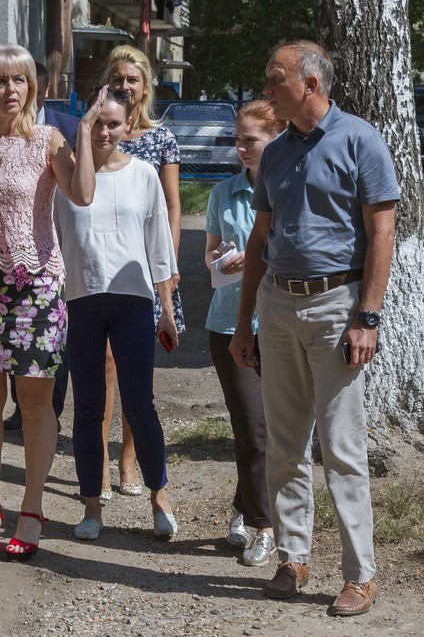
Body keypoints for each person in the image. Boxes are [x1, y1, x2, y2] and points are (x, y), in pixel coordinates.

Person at [229, 40, 399, 616]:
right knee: (284, 442)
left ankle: (360, 575)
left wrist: (367, 317)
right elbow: (260, 240)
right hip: (278, 305)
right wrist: (245, 323)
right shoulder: (276, 152)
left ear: (310, 84)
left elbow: (382, 233)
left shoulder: (360, 140)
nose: (267, 88)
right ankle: (293, 557)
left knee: (342, 447)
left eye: (275, 78)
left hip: (336, 307)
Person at [0, 43, 96, 561]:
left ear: (32, 86)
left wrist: (86, 136)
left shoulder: (48, 139)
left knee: (34, 403)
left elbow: (82, 195)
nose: (10, 89)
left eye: (19, 80)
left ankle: (32, 507)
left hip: (36, 285)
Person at [56, 87, 179, 542]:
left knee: (139, 403)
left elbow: (159, 245)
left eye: (113, 123)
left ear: (129, 126)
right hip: (81, 300)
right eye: (96, 123)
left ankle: (159, 498)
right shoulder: (66, 178)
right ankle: (92, 506)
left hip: (133, 301)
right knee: (88, 408)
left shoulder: (143, 174)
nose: (104, 132)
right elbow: (53, 241)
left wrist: (167, 308)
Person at [97, 45, 184, 498]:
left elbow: (172, 205)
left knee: (135, 367)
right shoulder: (95, 133)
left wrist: (167, 266)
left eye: (132, 79)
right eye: (117, 78)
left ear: (145, 86)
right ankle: (100, 461)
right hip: (99, 264)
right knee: (104, 364)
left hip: (145, 266)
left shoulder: (161, 138)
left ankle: (129, 458)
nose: (125, 86)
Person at [204, 100, 284, 566]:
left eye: (250, 139)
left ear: (276, 139)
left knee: (272, 429)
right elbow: (209, 256)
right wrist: (222, 261)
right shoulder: (223, 193)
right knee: (252, 427)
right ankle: (264, 526)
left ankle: (243, 504)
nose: (240, 148)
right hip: (228, 324)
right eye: (237, 139)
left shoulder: (291, 188)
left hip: (281, 322)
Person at [3, 61, 78, 431]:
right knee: (13, 339)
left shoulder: (68, 129)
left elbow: (81, 189)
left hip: (58, 244)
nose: (18, 91)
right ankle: (22, 409)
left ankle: (51, 411)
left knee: (50, 340)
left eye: (27, 83)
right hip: (10, 257)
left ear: (44, 90)